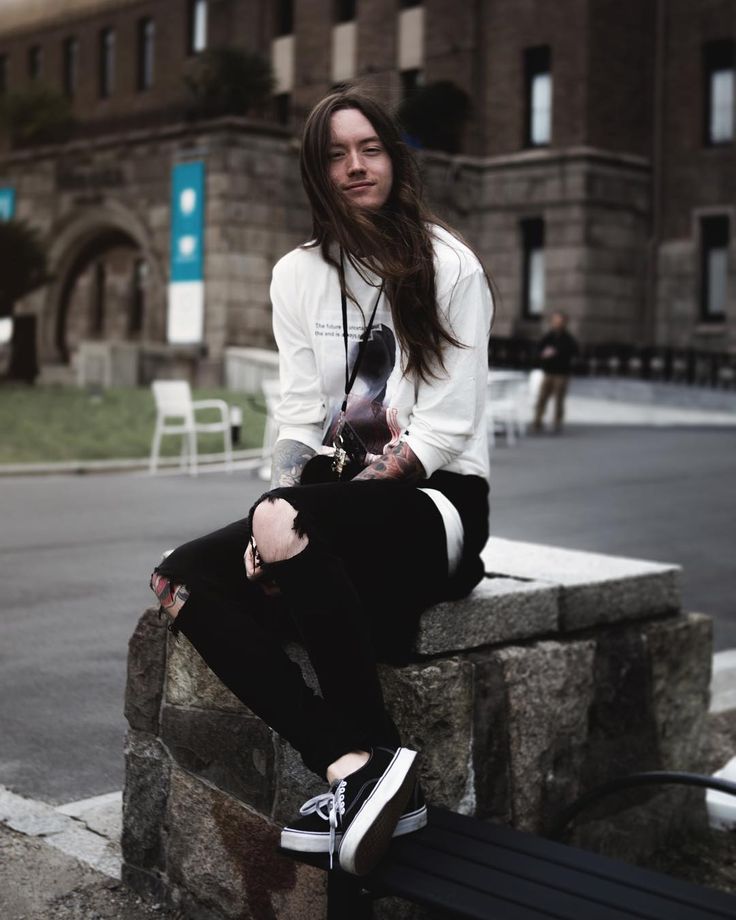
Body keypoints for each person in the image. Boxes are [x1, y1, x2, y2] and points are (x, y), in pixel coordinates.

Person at [149, 89, 494, 877]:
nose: (356, 166)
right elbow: (301, 415)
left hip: (436, 506)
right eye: (336, 154)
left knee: (280, 525)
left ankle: (372, 772)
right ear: (316, 171)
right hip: (329, 501)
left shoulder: (449, 267)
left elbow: (445, 428)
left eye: (369, 147)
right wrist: (281, 499)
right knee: (180, 578)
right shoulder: (298, 275)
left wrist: (291, 515)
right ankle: (351, 765)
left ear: (395, 159)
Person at [532, 311, 579, 433]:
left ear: (564, 323)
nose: (556, 323)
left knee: (559, 398)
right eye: (555, 321)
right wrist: (543, 354)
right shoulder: (549, 336)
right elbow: (538, 350)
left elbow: (574, 352)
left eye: (559, 321)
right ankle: (537, 421)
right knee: (542, 397)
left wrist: (556, 352)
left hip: (561, 373)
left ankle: (557, 422)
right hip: (548, 371)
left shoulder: (568, 339)